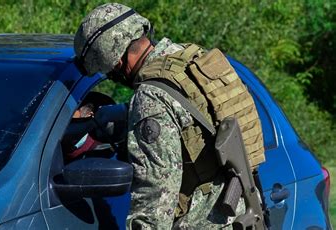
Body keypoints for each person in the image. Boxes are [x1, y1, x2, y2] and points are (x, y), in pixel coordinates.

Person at [73, 3, 247, 229]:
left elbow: (154, 199)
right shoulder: (189, 60)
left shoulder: (150, 100)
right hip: (239, 208)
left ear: (116, 62)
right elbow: (186, 116)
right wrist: (118, 115)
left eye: (108, 72)